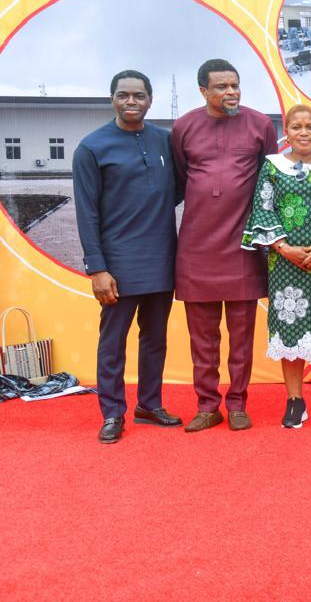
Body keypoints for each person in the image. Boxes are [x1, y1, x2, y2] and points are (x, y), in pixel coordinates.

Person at [73, 70, 182, 443]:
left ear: (150, 100)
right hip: (117, 265)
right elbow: (86, 213)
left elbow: (178, 190)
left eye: (138, 95)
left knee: (155, 338)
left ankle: (149, 404)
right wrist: (98, 267)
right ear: (112, 99)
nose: (131, 101)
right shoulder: (92, 147)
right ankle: (113, 413)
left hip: (163, 257)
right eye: (123, 95)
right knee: (113, 342)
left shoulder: (165, 142)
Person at [172, 59, 277, 432]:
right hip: (196, 248)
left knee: (241, 337)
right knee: (202, 339)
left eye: (235, 85)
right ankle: (206, 405)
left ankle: (237, 404)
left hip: (243, 247)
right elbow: (182, 179)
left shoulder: (259, 124)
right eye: (221, 87)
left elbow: (270, 182)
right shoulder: (183, 127)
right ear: (203, 91)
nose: (231, 92)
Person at [242, 105, 311, 429]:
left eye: (310, 126)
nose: (304, 132)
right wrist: (283, 248)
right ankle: (294, 401)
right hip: (284, 264)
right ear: (285, 133)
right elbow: (263, 209)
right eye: (297, 127)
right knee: (290, 336)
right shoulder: (272, 167)